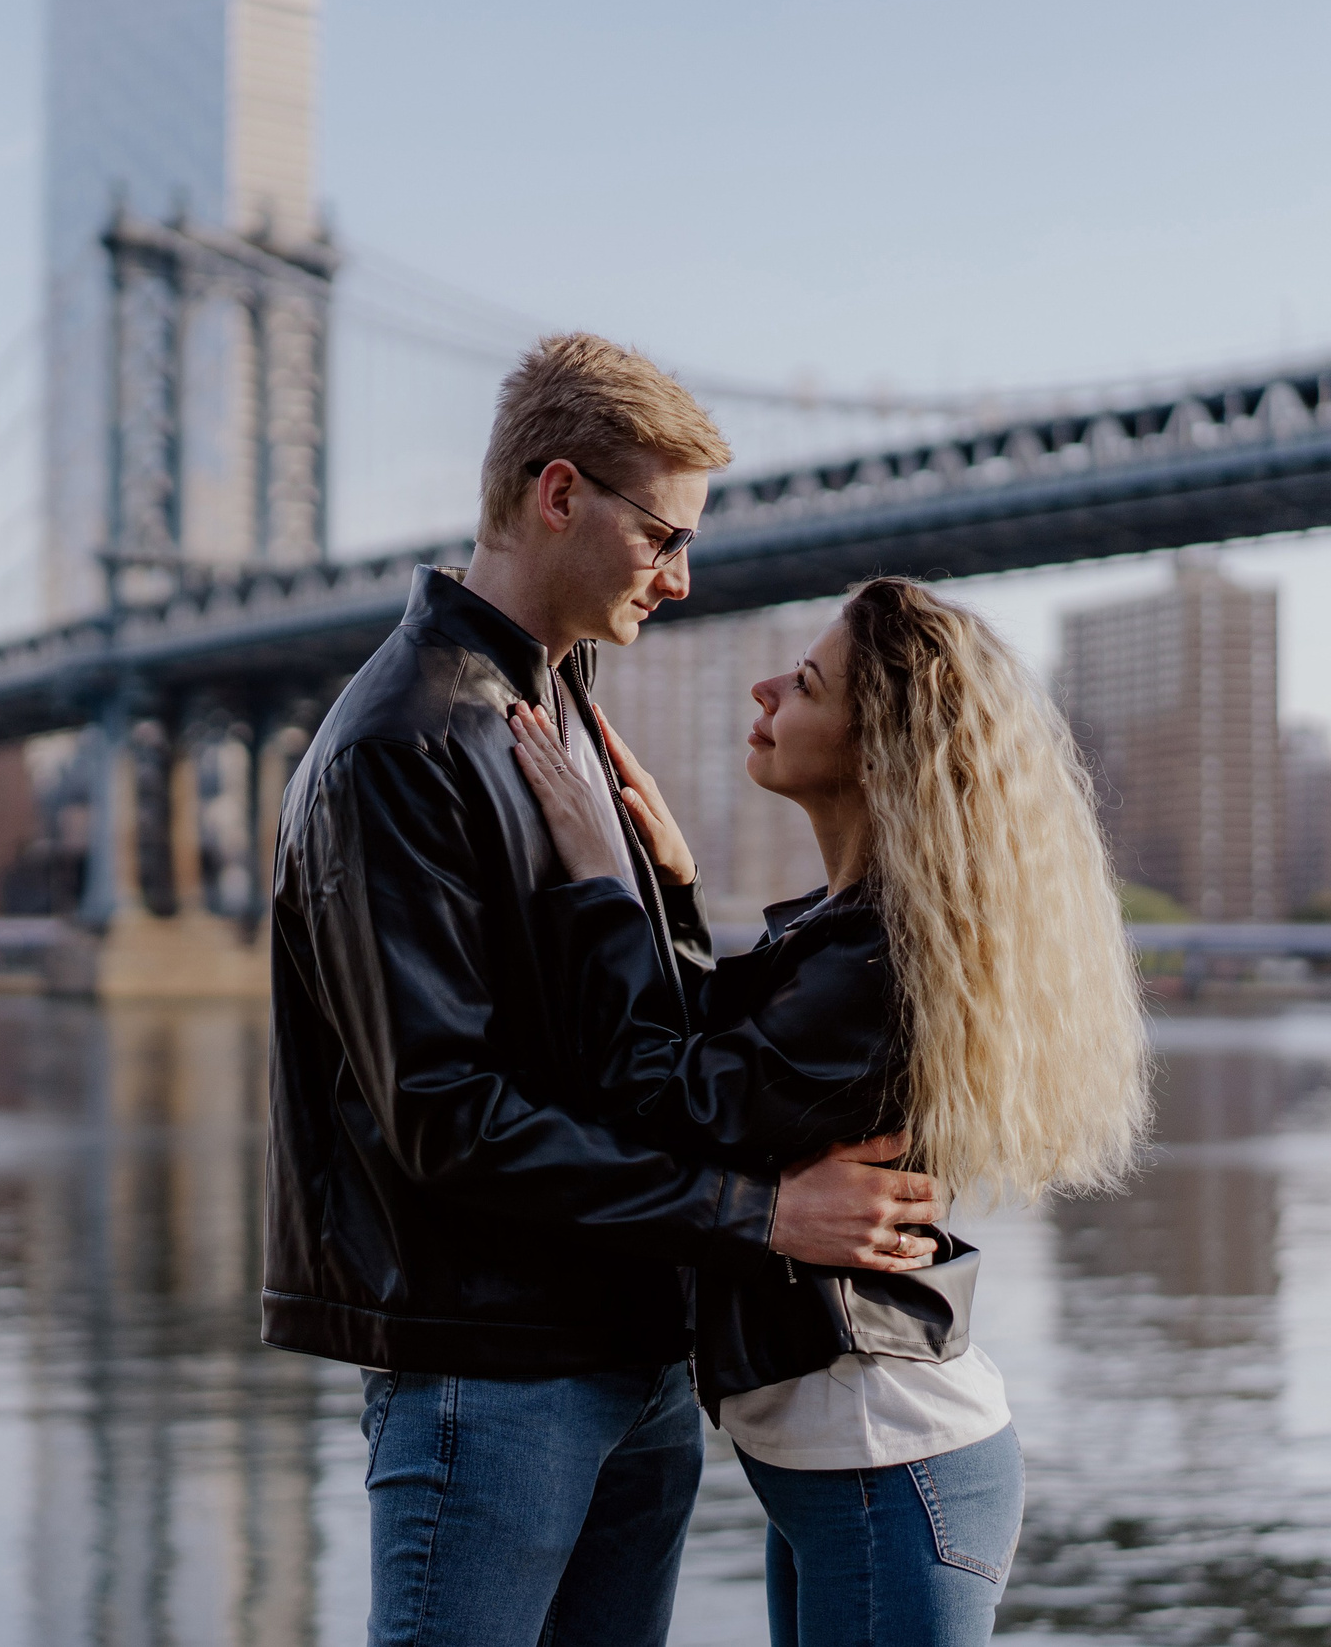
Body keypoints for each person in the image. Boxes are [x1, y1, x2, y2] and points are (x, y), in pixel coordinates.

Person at [263, 336, 946, 1647]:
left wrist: (674, 890)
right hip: (494, 1370)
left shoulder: (560, 708)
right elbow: (446, 1116)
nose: (684, 578)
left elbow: (642, 1038)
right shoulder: (404, 745)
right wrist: (760, 1214)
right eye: (663, 536)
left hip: (629, 1346)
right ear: (559, 494)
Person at [507, 576, 1151, 1647]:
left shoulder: (878, 962)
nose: (763, 687)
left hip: (884, 1471)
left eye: (803, 682)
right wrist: (665, 890)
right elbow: (713, 1057)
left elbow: (661, 1096)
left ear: (877, 746)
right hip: (846, 1471)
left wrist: (597, 885)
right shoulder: (846, 932)